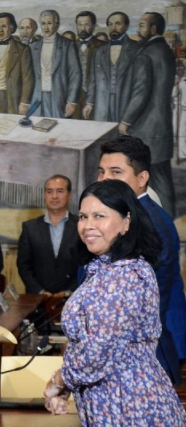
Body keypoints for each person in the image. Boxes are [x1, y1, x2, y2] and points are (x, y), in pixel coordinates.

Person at [42, 179, 186, 426]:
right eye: (84, 216)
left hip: (130, 405)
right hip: (110, 401)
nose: (88, 226)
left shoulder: (125, 275)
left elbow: (96, 353)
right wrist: (72, 384)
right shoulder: (104, 268)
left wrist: (60, 380)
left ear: (126, 222)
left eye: (100, 216)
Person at [97, 136, 186, 385]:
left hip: (141, 365)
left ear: (142, 178)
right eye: (101, 171)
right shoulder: (131, 216)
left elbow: (131, 308)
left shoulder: (144, 224)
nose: (105, 179)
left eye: (116, 172)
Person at [120, 12, 177, 218]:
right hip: (162, 126)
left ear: (153, 29)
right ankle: (167, 219)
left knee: (144, 175)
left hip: (145, 128)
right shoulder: (165, 51)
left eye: (142, 25)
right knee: (162, 177)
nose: (138, 29)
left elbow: (140, 93)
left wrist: (126, 120)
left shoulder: (146, 53)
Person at [17, 175, 80, 295]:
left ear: (69, 195)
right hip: (38, 302)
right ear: (44, 195)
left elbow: (86, 265)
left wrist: (69, 292)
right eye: (49, 191)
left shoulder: (81, 226)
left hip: (73, 299)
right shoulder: (30, 228)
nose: (54, 196)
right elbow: (23, 266)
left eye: (60, 191)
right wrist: (40, 292)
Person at [84, 12, 138, 123]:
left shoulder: (136, 49)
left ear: (127, 26)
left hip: (125, 102)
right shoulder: (98, 52)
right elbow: (93, 80)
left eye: (118, 23)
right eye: (110, 24)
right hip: (102, 103)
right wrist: (89, 103)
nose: (113, 27)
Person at [29, 10, 81, 118]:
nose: (46, 28)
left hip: (59, 97)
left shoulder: (68, 45)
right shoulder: (33, 47)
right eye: (43, 23)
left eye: (49, 23)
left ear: (57, 25)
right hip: (37, 97)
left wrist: (71, 101)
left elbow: (75, 75)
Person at [0, 12, 34, 115]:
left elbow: (28, 78)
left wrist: (24, 102)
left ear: (12, 28)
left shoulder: (23, 49)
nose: (0, 30)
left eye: (4, 26)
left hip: (13, 97)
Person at [74, 11, 105, 120]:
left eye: (86, 24)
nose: (83, 28)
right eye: (80, 25)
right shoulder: (70, 47)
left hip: (96, 96)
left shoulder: (102, 46)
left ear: (93, 26)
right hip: (74, 97)